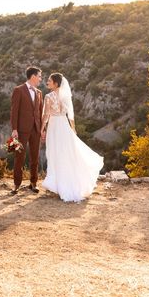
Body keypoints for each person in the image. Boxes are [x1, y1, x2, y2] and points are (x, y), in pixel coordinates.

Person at [41, 73, 104, 202]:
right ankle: (68, 183)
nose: (47, 82)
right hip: (64, 126)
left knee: (55, 153)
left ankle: (58, 185)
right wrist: (73, 129)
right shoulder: (65, 96)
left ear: (56, 83)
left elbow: (46, 115)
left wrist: (41, 128)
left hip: (53, 126)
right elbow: (71, 115)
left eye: (49, 80)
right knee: (67, 153)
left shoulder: (48, 97)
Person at [10, 66, 44, 194]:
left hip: (36, 129)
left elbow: (40, 113)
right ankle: (16, 185)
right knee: (19, 157)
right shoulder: (18, 90)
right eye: (39, 76)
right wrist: (14, 129)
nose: (40, 79)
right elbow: (14, 112)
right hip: (22, 130)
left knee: (35, 157)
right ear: (33, 76)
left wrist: (42, 129)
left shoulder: (39, 93)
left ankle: (33, 183)